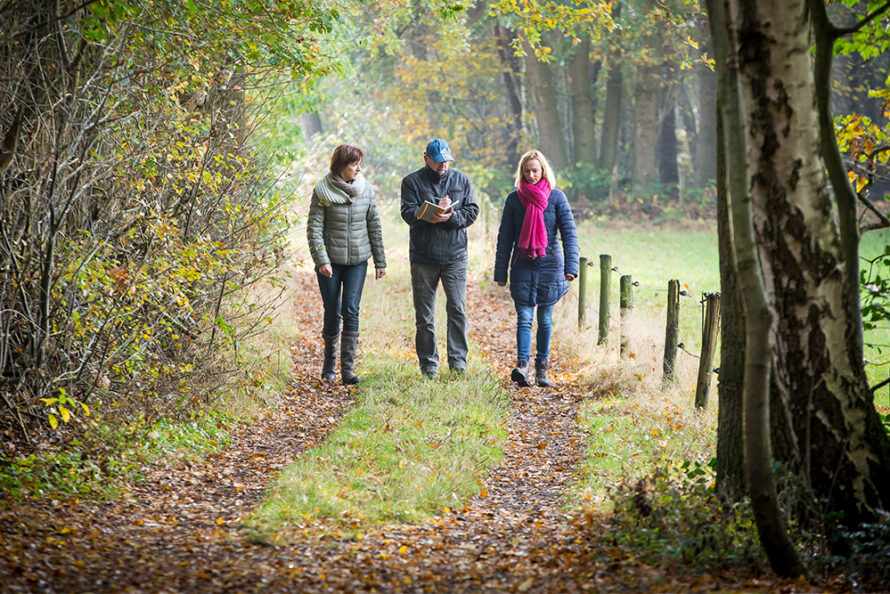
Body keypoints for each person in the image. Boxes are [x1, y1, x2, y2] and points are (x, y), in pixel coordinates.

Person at [493, 150, 579, 387]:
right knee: (524, 317)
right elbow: (505, 238)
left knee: (545, 319)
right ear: (521, 172)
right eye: (527, 171)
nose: (531, 175)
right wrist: (500, 272)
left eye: (535, 170)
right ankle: (522, 366)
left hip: (551, 266)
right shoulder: (513, 199)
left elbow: (569, 234)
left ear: (543, 171)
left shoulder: (557, 198)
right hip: (522, 264)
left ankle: (542, 369)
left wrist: (571, 267)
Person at [307, 144, 386, 384]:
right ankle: (329, 366)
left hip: (357, 262)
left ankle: (347, 371)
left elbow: (374, 226)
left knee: (351, 309)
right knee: (333, 310)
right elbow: (314, 229)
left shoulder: (366, 190)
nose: (359, 169)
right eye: (354, 164)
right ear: (341, 166)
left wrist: (379, 261)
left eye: (359, 164)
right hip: (330, 264)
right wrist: (322, 260)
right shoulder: (322, 191)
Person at [400, 138, 479, 377]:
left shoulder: (462, 180)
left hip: (455, 256)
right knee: (424, 314)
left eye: (446, 161)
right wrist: (430, 213)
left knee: (457, 308)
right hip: (423, 257)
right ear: (426, 159)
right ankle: (429, 365)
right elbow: (407, 213)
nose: (443, 165)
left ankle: (458, 363)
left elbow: (472, 211)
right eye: (438, 162)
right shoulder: (411, 181)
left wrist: (452, 216)